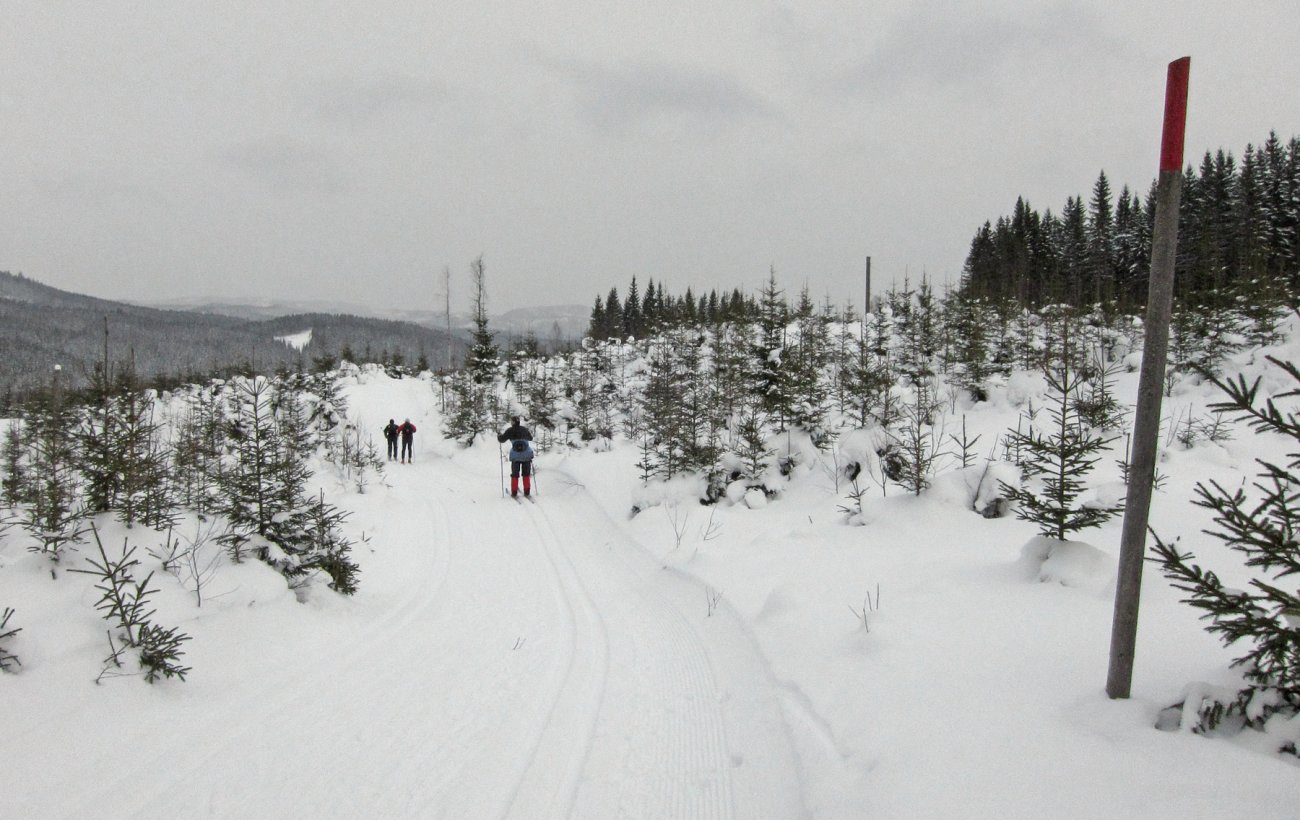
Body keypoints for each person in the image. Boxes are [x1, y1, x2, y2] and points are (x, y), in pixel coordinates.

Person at [497, 416, 534, 497]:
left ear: (513, 422)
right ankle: (527, 491)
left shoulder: (510, 430)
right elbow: (531, 438)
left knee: (515, 474)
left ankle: (514, 492)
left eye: (511, 421)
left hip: (515, 456)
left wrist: (499, 435)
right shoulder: (524, 429)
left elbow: (501, 440)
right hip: (526, 455)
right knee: (526, 474)